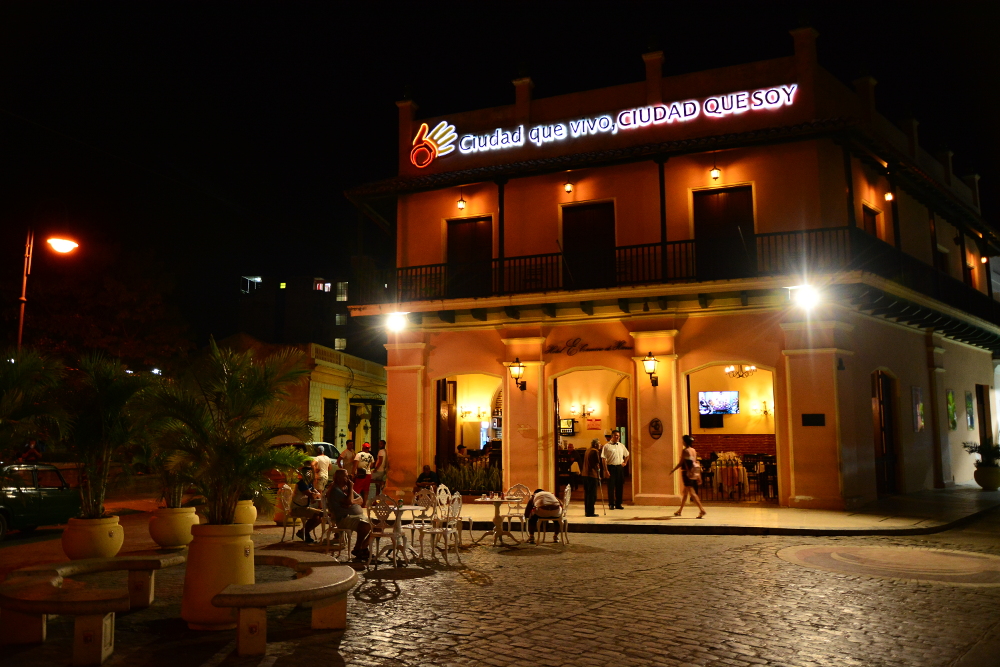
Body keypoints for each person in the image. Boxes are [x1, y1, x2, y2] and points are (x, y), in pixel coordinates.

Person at [327, 468, 373, 561]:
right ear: (339, 478)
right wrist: (351, 490)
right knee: (364, 526)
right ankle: (358, 548)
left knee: (378, 525)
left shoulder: (346, 488)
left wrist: (352, 502)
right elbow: (349, 501)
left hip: (357, 516)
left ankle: (363, 547)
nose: (348, 478)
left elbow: (360, 500)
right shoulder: (335, 489)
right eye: (346, 476)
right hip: (344, 518)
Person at [671, 435, 706, 519]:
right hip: (693, 473)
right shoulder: (693, 450)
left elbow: (684, 463)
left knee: (692, 493)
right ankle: (680, 510)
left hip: (687, 474)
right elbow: (695, 462)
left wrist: (673, 470)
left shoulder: (685, 451)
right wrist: (698, 476)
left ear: (685, 442)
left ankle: (702, 509)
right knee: (685, 492)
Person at [290, 464, 323, 543]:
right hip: (297, 508)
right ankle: (304, 532)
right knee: (317, 515)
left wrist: (315, 495)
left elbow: (318, 494)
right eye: (308, 473)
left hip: (304, 507)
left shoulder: (309, 484)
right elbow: (311, 495)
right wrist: (314, 495)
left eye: (311, 472)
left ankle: (304, 532)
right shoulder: (302, 483)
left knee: (321, 515)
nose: (310, 475)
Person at [601, 430, 629, 510]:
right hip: (611, 468)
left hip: (619, 468)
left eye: (618, 436)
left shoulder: (621, 445)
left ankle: (618, 504)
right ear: (612, 436)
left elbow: (627, 454)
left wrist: (625, 462)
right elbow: (603, 459)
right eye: (616, 435)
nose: (617, 437)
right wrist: (606, 470)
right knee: (611, 487)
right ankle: (611, 504)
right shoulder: (606, 446)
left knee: (620, 486)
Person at [581, 438, 606, 517]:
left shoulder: (587, 450)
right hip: (592, 475)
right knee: (592, 495)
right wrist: (599, 475)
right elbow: (597, 463)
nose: (600, 445)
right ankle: (590, 512)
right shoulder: (595, 451)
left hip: (585, 474)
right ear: (595, 445)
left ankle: (587, 511)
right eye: (599, 443)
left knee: (587, 494)